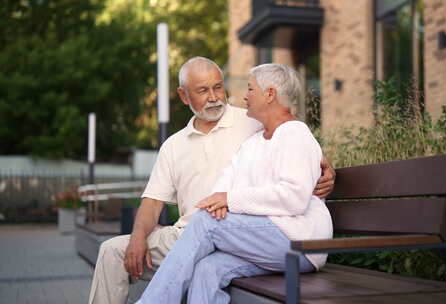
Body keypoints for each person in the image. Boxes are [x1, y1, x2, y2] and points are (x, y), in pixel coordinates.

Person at [88, 57, 335, 304]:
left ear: (268, 95)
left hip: (242, 230)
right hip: (205, 231)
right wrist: (138, 238)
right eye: (203, 90)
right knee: (117, 252)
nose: (215, 96)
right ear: (184, 96)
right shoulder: (178, 145)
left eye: (218, 87)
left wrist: (322, 167)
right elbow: (162, 201)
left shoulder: (253, 121)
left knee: (205, 224)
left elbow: (294, 143)